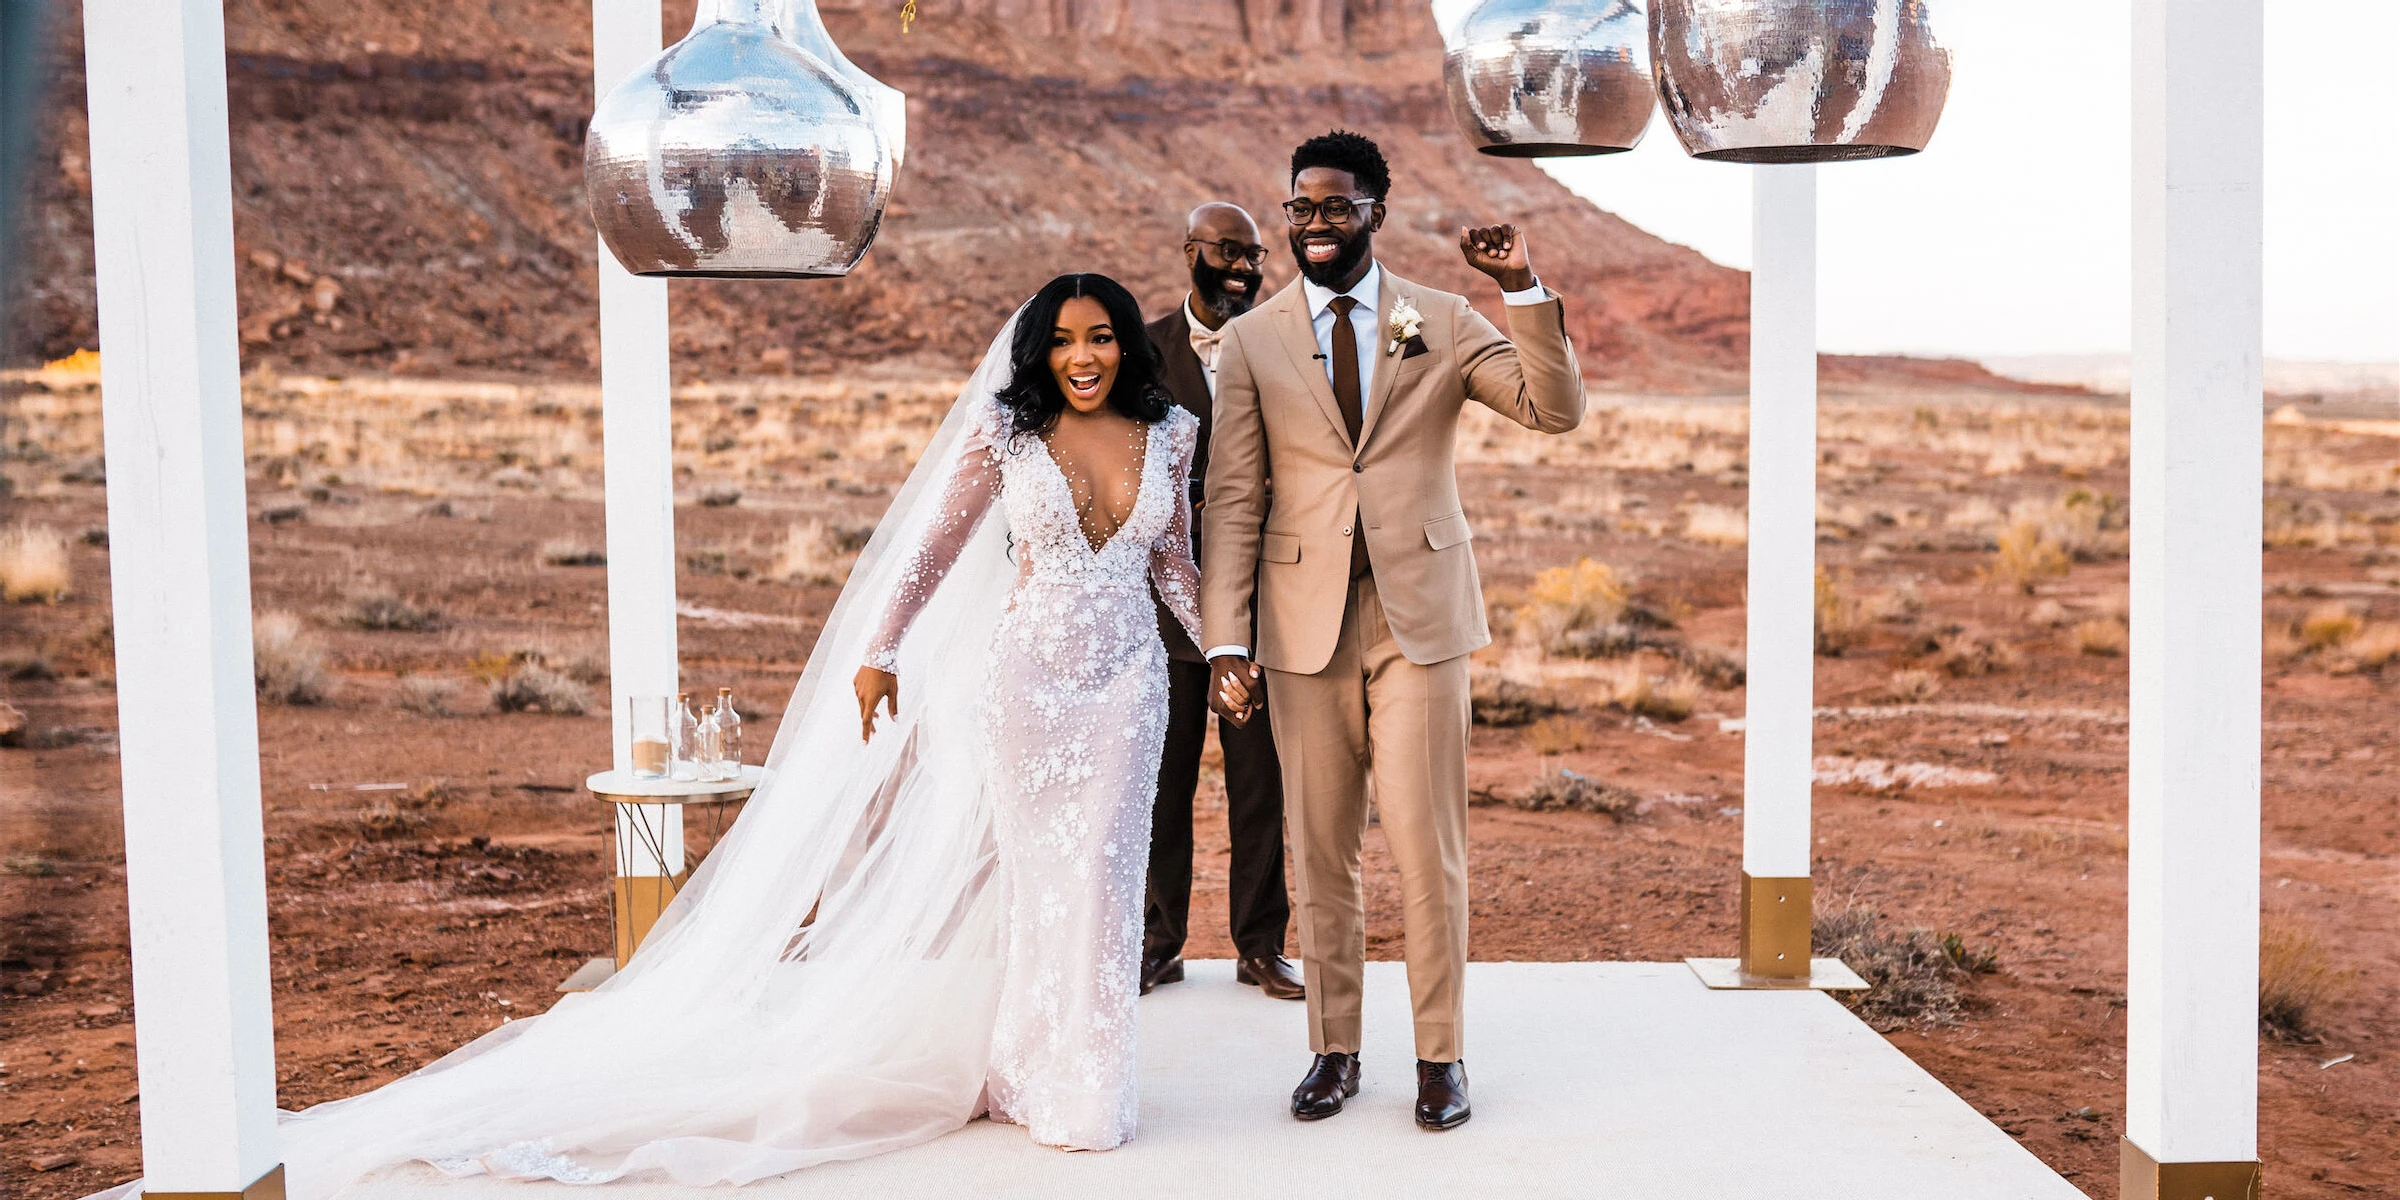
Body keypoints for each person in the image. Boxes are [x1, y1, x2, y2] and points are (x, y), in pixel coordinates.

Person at [198, 275, 1197, 1199]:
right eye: (1064, 339)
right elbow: (933, 548)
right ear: (1037, 352)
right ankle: (1027, 1067)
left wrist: (1234, 655)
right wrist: (879, 650)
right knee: (1035, 881)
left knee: (1107, 874)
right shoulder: (1004, 435)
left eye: (1101, 337)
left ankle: (1089, 1084)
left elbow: (1177, 571)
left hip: (1125, 688)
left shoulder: (1173, 435)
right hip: (1024, 686)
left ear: (1124, 346)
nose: (1084, 355)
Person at [1199, 131, 1586, 1132]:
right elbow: (1235, 498)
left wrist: (1523, 290)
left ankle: (1441, 1057)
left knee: (1428, 847)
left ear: (1375, 211)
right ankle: (1334, 1050)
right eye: (1300, 208)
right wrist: (1227, 641)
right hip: (1301, 627)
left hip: (1419, 619)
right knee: (1319, 849)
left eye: (1336, 207)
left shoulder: (1444, 319)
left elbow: (1554, 409)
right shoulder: (1253, 339)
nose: (1315, 224)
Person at [1139, 202, 1303, 1002]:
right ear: (1190, 251)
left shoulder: (1280, 345)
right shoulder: (1139, 350)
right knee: (1162, 784)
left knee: (1260, 784)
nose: (1243, 266)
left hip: (1259, 603)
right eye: (1226, 251)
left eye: (1255, 255)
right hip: (1157, 611)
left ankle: (1261, 945)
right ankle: (1156, 942)